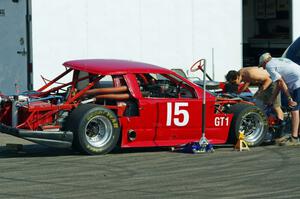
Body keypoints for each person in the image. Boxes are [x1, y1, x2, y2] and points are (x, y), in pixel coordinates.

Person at [259, 52, 300, 146]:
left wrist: (289, 98)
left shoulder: (269, 65)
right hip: (298, 80)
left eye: (262, 65)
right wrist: (272, 100)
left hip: (298, 83)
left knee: (294, 110)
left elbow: (280, 82)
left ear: (265, 62)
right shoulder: (281, 60)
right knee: (298, 110)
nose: (263, 68)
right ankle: (297, 134)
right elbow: (279, 84)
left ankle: (294, 138)